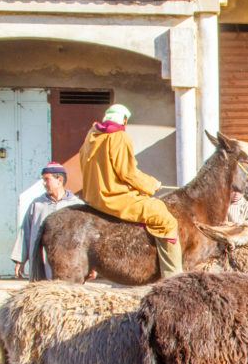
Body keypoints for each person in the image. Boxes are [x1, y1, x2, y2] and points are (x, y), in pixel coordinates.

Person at [78, 103, 182, 277]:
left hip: (93, 196)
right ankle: (173, 276)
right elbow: (127, 172)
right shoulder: (119, 136)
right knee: (165, 219)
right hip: (112, 197)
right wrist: (151, 185)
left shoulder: (92, 134)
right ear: (124, 120)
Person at [11, 162, 83, 280]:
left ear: (59, 180)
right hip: (42, 263)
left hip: (70, 263)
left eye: (46, 180)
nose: (43, 184)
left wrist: (92, 266)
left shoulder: (77, 205)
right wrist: (21, 260)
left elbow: (87, 238)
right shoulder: (37, 205)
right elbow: (25, 231)